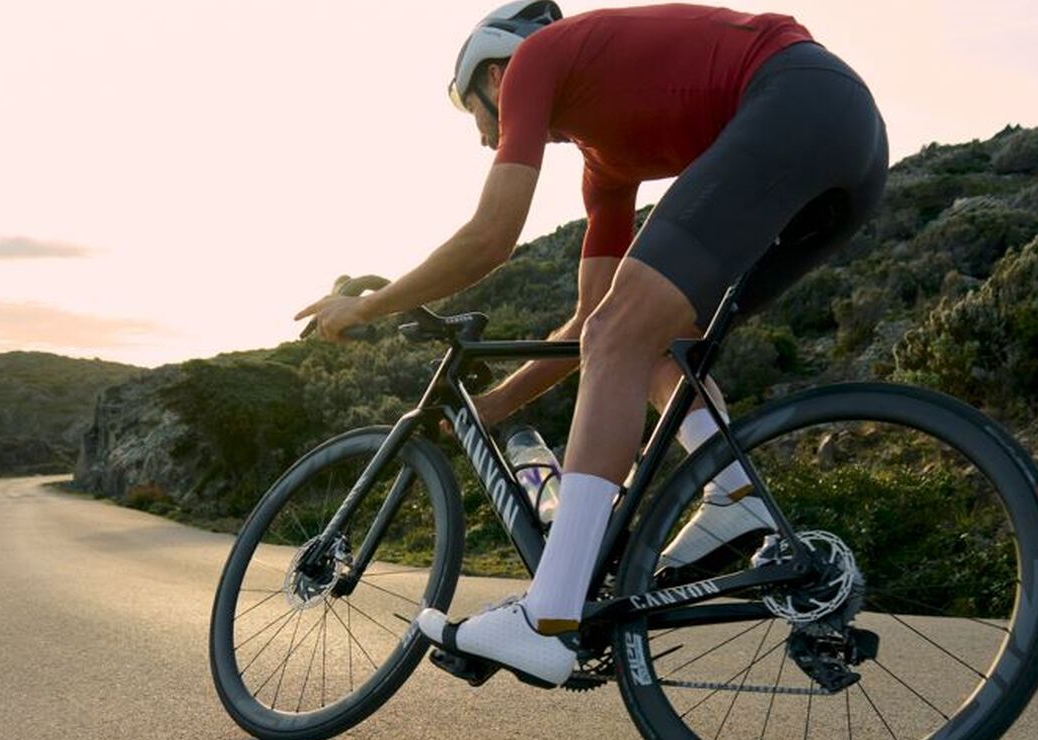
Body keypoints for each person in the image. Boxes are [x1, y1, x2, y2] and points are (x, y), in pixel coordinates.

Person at [297, 2, 887, 687]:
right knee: (648, 335)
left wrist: (368, 305)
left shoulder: (536, 58)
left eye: (473, 111)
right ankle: (733, 491)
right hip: (847, 141)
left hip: (795, 98)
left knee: (625, 330)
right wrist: (496, 403)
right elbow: (586, 323)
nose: (484, 137)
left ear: (494, 74)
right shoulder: (605, 168)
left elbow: (491, 237)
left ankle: (548, 616)